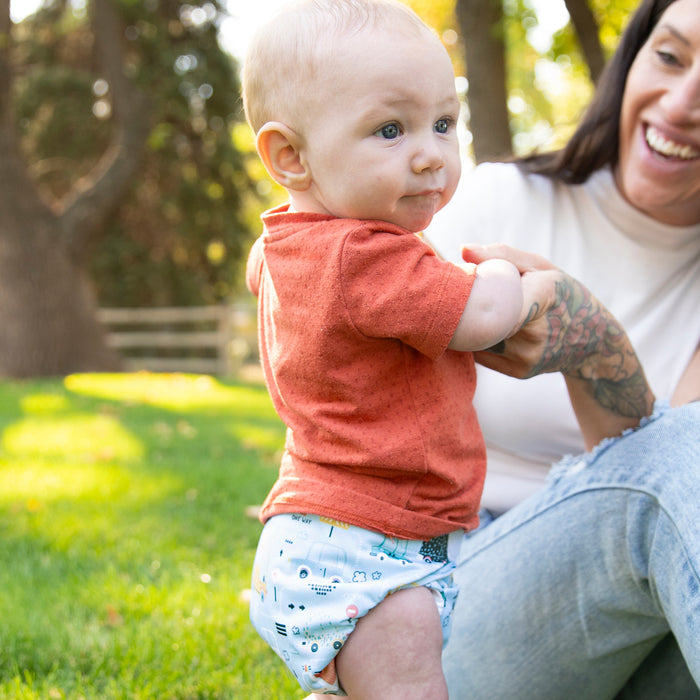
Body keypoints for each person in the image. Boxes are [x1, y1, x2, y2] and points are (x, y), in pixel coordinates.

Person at [240, 0, 556, 696]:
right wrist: (520, 281)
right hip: (372, 549)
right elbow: (484, 316)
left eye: (445, 123)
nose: (430, 153)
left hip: (317, 531)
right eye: (390, 129)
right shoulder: (370, 257)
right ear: (290, 156)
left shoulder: (282, 247)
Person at [424, 0, 700, 696]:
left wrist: (592, 340)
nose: (683, 103)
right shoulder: (496, 200)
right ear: (632, 59)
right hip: (447, 605)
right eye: (670, 56)